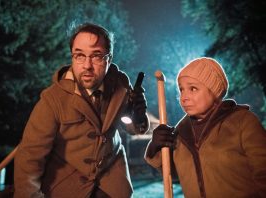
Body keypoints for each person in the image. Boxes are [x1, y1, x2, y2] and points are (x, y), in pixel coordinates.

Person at [14, 22, 149, 198]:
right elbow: (30, 158)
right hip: (67, 185)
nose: (87, 65)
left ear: (109, 58)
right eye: (79, 55)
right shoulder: (52, 100)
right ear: (72, 57)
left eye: (97, 56)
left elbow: (130, 127)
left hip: (112, 183)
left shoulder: (121, 83)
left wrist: (137, 116)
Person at [145, 57, 266, 197]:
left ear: (214, 91)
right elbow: (173, 174)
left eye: (193, 88)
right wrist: (156, 146)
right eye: (181, 90)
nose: (184, 97)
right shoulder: (181, 132)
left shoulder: (242, 122)